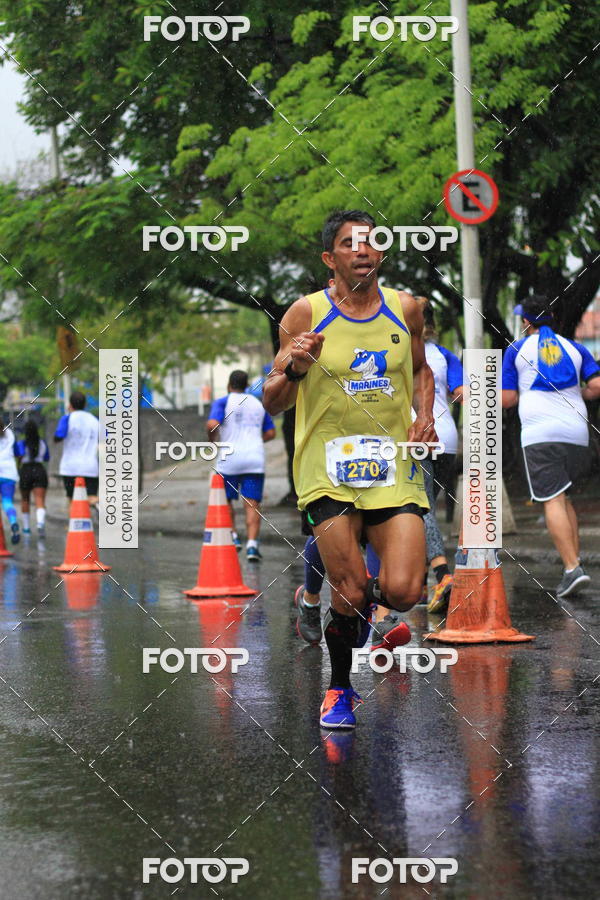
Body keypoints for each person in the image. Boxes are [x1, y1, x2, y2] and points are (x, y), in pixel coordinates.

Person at [263, 209, 435, 730]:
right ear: (329, 257)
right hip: (326, 466)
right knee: (353, 589)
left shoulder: (406, 309)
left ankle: (348, 605)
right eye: (348, 243)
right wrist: (294, 366)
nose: (362, 249)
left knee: (405, 591)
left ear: (381, 252)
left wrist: (424, 416)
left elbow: (422, 368)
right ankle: (339, 688)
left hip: (391, 465)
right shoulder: (304, 313)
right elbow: (273, 400)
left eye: (370, 242)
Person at [502, 294, 600, 597]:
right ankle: (574, 565)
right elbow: (597, 385)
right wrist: (575, 396)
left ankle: (572, 568)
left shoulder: (517, 349)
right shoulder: (575, 347)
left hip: (540, 434)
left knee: (553, 499)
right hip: (577, 435)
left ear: (525, 322)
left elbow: (508, 398)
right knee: (563, 496)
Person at [416, 298, 464, 613]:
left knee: (422, 508)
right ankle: (419, 586)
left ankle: (442, 575)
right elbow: (462, 392)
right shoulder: (445, 354)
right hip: (448, 437)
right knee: (423, 508)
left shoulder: (402, 351)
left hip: (417, 436)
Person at [207, 369, 276, 561]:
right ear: (246, 386)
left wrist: (212, 440)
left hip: (229, 460)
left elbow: (212, 423)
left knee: (226, 500)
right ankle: (252, 546)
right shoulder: (257, 403)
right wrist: (254, 440)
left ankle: (234, 537)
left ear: (230, 385)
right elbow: (271, 433)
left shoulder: (223, 402)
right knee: (252, 503)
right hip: (254, 459)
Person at [54, 392, 100, 507]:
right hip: (90, 467)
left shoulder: (67, 419)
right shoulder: (94, 420)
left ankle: (73, 524)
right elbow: (105, 436)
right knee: (92, 497)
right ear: (85, 404)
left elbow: (58, 437)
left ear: (70, 405)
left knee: (72, 500)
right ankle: (104, 513)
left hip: (70, 467)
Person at [15, 419, 50, 537]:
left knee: (25, 499)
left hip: (25, 470)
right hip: (40, 470)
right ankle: (40, 523)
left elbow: (18, 456)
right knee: (39, 500)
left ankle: (26, 528)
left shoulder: (21, 444)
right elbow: (46, 458)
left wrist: (18, 467)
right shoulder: (43, 443)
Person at [0, 421, 20, 544]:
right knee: (7, 501)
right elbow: (17, 452)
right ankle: (13, 521)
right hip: (9, 473)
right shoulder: (9, 434)